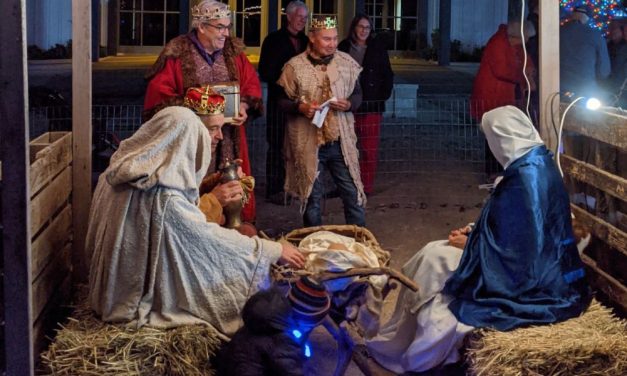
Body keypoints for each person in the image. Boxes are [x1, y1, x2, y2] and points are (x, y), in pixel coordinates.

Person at [366, 106, 591, 373]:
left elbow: (525, 250)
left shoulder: (527, 177)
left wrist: (472, 245)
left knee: (434, 259)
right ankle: (399, 339)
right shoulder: (535, 162)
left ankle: (415, 355)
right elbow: (514, 224)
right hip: (511, 257)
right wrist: (474, 232)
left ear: (502, 137)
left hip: (527, 277)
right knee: (432, 253)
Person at [87, 106, 305, 336]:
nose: (219, 136)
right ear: (185, 139)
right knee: (243, 277)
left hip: (108, 292)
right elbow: (206, 239)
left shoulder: (115, 175)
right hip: (131, 299)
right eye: (211, 130)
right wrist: (270, 250)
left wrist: (207, 189)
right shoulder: (164, 199)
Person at [143, 0, 261, 223]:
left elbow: (251, 85)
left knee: (234, 189)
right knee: (193, 191)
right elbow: (159, 98)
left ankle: (234, 234)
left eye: (228, 27)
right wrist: (197, 110)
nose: (226, 33)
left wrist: (244, 105)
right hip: (191, 141)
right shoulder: (177, 54)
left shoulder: (234, 53)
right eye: (220, 27)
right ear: (202, 26)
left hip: (229, 138)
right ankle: (194, 226)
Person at [277, 15, 366, 227]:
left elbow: (358, 95)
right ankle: (313, 242)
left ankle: (359, 239)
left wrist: (350, 104)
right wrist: (300, 107)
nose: (332, 43)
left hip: (339, 140)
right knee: (312, 197)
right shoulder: (294, 67)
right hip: (308, 141)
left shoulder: (347, 64)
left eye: (335, 38)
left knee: (352, 192)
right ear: (312, 38)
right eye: (327, 39)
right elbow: (280, 101)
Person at [258, 1, 309, 204]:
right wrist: (286, 79)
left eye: (305, 18)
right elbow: (265, 71)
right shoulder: (273, 40)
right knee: (277, 144)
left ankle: (296, 186)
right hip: (279, 101)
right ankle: (275, 189)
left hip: (301, 102)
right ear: (288, 17)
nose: (302, 22)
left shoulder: (306, 41)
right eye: (299, 17)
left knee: (298, 145)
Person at [470, 20, 536, 176]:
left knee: (502, 132)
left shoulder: (513, 44)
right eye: (526, 37)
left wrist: (529, 72)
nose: (527, 41)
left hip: (503, 96)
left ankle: (501, 170)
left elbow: (526, 60)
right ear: (518, 35)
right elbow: (502, 70)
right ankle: (493, 172)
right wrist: (524, 79)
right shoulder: (498, 43)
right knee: (494, 133)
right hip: (492, 96)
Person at [338, 14, 394, 195]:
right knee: (346, 148)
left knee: (368, 149)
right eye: (360, 27)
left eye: (367, 27)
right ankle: (348, 185)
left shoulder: (377, 48)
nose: (363, 31)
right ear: (354, 28)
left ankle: (365, 186)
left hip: (371, 106)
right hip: (348, 106)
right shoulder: (343, 48)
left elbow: (387, 74)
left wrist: (381, 97)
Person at [560, 5, 611, 99]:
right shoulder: (596, 35)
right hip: (585, 90)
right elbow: (604, 71)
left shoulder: (558, 32)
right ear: (588, 18)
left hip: (558, 88)